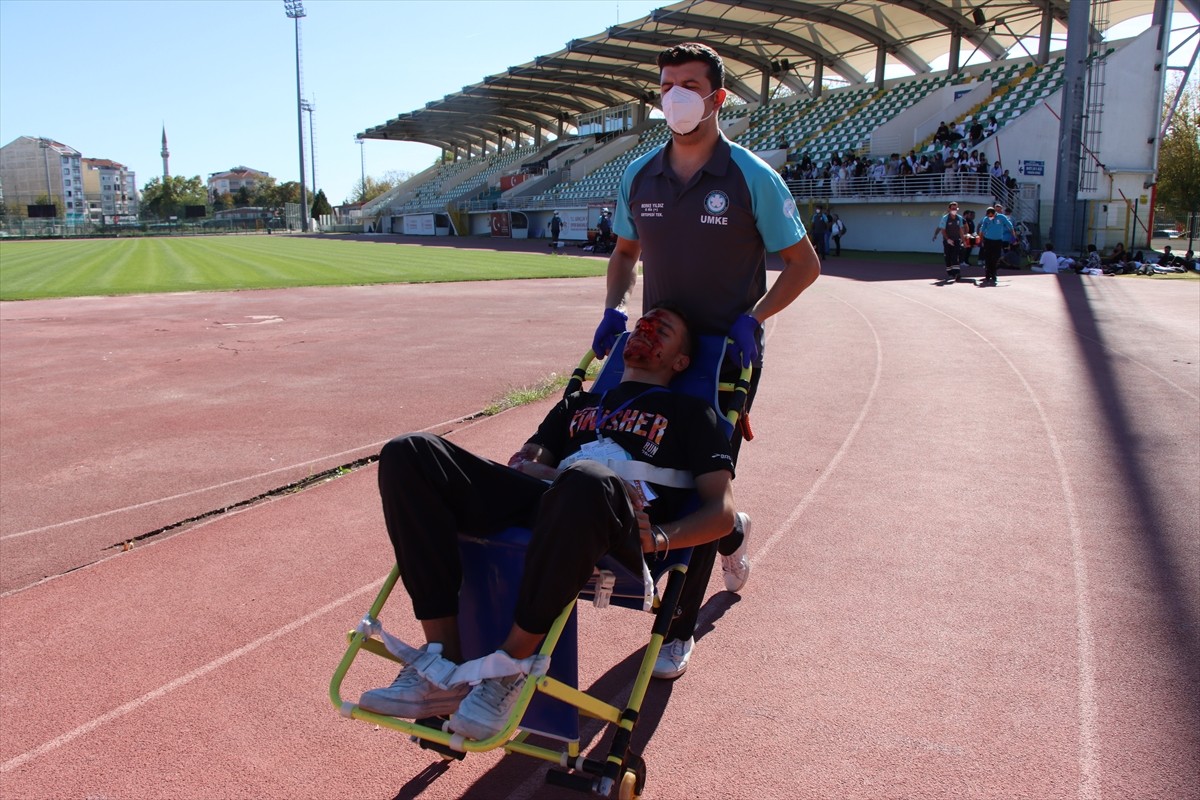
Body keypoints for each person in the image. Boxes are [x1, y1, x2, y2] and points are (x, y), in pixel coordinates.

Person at [357, 305, 736, 740]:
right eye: (642, 324)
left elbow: (721, 512)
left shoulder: (692, 413)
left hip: (616, 521)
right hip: (554, 499)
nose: (646, 330)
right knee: (409, 453)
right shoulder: (578, 403)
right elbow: (527, 463)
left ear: (681, 361)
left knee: (587, 480)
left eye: (662, 330)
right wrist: (542, 471)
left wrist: (661, 539)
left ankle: (507, 671)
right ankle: (441, 667)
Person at [590, 41, 820, 680]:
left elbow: (806, 265)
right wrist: (615, 306)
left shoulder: (752, 178)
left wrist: (756, 318)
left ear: (718, 98)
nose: (676, 96)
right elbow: (624, 252)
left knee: (700, 484)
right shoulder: (640, 175)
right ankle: (732, 530)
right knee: (648, 471)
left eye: (689, 84)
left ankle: (677, 627)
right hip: (655, 353)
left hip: (725, 357)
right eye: (666, 86)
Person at [978, 205, 1014, 286]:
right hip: (988, 240)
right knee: (988, 257)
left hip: (998, 241)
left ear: (994, 213)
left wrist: (1013, 236)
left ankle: (993, 273)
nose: (990, 217)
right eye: (988, 215)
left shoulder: (1001, 217)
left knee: (996, 257)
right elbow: (982, 230)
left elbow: (1010, 225)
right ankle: (988, 274)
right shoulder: (986, 219)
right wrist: (980, 240)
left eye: (991, 215)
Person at [932, 201, 966, 282]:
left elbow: (961, 230)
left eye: (956, 208)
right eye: (953, 208)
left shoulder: (959, 218)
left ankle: (957, 273)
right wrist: (947, 239)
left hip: (956, 240)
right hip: (947, 240)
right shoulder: (945, 218)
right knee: (948, 257)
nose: (954, 210)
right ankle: (950, 273)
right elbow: (942, 230)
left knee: (955, 256)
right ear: (949, 209)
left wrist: (963, 241)